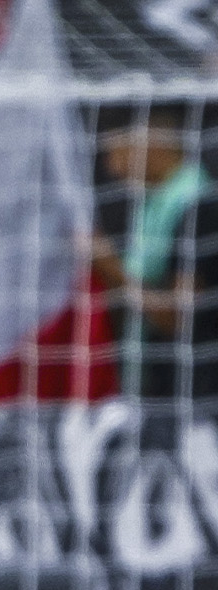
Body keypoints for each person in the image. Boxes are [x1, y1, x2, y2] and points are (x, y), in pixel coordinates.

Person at [91, 102, 218, 404]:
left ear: (148, 140)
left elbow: (179, 318)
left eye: (116, 152)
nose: (113, 168)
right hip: (156, 388)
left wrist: (111, 267)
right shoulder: (154, 207)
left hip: (195, 396)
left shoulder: (198, 207)